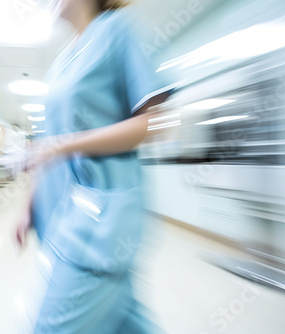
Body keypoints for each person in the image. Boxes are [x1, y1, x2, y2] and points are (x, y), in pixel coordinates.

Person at [16, 0, 173, 332]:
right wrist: (29, 204)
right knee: (125, 320)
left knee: (49, 326)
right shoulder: (60, 62)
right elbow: (47, 143)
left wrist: (66, 144)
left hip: (97, 224)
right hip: (62, 215)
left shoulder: (116, 30)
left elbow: (155, 124)